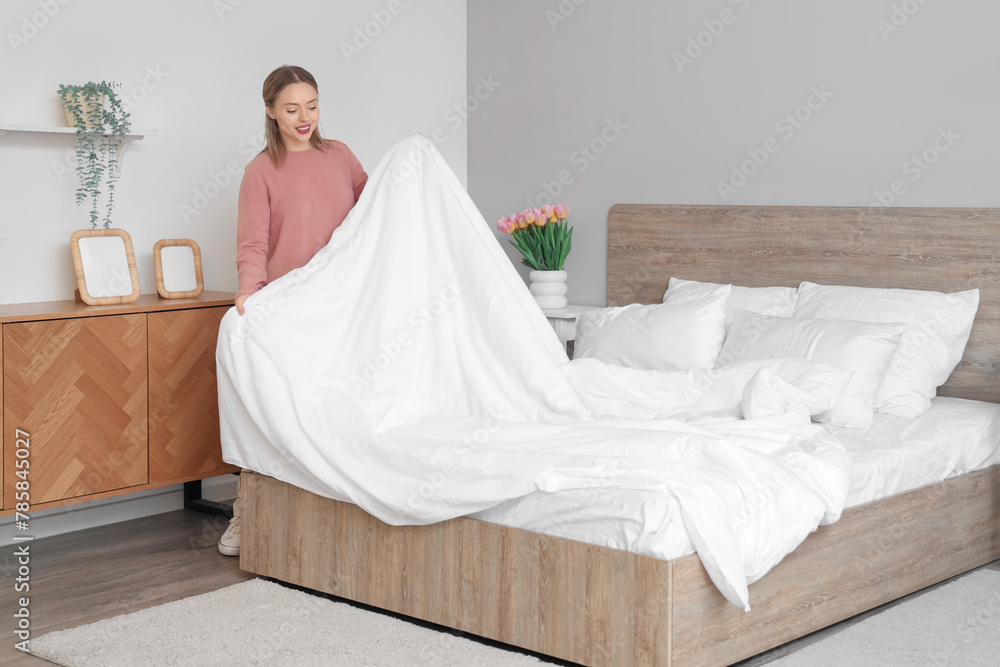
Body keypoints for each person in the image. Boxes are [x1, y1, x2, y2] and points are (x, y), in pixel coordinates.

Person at [219, 64, 368, 556]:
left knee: (337, 409)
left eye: (312, 105)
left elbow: (378, 213)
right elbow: (253, 241)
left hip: (343, 302)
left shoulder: (341, 156)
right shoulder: (260, 170)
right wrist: (248, 291)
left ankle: (338, 515)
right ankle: (249, 512)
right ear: (270, 111)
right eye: (291, 108)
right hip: (290, 304)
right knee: (270, 406)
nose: (304, 117)